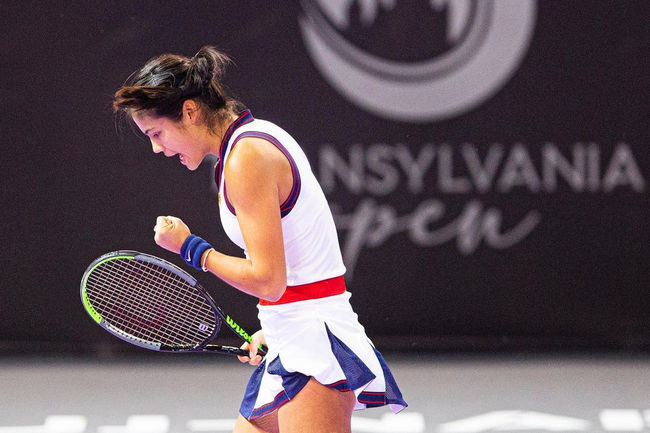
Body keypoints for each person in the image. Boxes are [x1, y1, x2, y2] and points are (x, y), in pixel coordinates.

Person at [113, 46, 406, 433]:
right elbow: (295, 265)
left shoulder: (246, 158)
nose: (157, 148)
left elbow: (268, 279)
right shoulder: (250, 140)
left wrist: (190, 248)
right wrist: (275, 326)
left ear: (189, 111)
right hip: (292, 333)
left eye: (156, 133)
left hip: (314, 346)